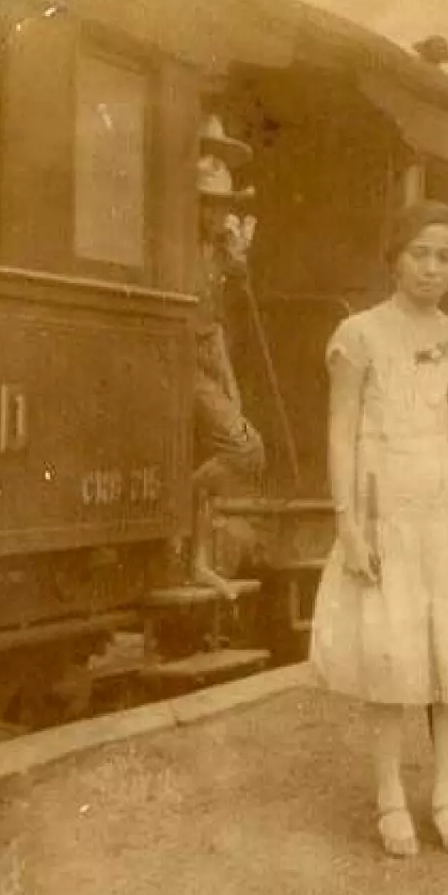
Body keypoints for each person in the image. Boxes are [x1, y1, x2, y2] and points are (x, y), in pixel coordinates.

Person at [308, 201, 448, 860]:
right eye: (420, 253)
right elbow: (340, 432)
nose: (432, 268)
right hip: (389, 512)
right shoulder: (359, 335)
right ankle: (391, 798)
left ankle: (445, 797)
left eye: (445, 256)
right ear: (395, 256)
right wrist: (348, 523)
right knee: (393, 661)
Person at [190, 132, 268, 599]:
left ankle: (196, 557)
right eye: (209, 203)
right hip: (184, 353)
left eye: (224, 204)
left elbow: (231, 294)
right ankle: (179, 521)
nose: (217, 212)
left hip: (209, 347)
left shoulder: (216, 246)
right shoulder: (179, 244)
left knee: (233, 452)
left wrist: (236, 253)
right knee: (245, 450)